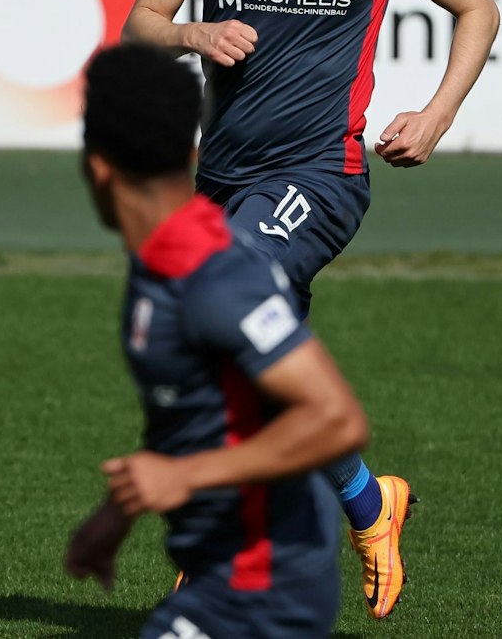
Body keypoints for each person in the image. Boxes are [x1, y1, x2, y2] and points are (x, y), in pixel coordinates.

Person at [123, 0, 499, 618]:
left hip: (318, 175)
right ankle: (370, 504)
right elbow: (143, 18)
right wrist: (193, 35)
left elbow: (477, 9)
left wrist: (436, 114)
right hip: (221, 180)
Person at [66, 43, 371, 639]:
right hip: (221, 575)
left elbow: (337, 420)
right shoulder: (160, 259)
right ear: (190, 151)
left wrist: (184, 477)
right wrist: (117, 513)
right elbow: (188, 411)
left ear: (96, 168)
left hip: (264, 588)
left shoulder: (218, 275)